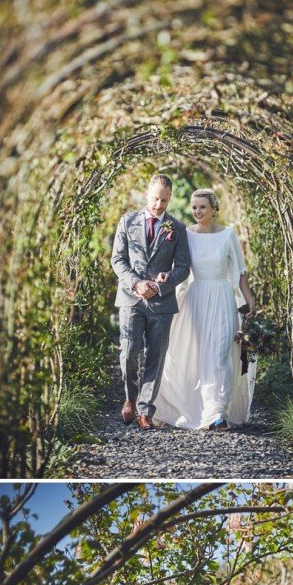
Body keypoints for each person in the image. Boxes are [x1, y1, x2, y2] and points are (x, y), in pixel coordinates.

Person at [154, 188, 255, 431]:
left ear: (214, 209)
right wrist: (165, 277)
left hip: (221, 298)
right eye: (194, 207)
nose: (197, 211)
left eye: (202, 207)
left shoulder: (228, 235)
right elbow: (180, 267)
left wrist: (249, 300)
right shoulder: (185, 234)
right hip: (195, 298)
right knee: (195, 356)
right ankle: (186, 406)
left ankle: (217, 412)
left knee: (220, 353)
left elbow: (241, 273)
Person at [111, 173, 191, 430]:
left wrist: (161, 284)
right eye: (156, 198)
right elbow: (118, 260)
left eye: (164, 200)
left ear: (170, 199)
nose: (159, 205)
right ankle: (130, 399)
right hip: (131, 298)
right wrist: (136, 283)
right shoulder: (127, 221)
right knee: (129, 353)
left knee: (155, 356)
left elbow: (183, 267)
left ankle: (146, 410)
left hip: (161, 302)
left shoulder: (177, 228)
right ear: (147, 193)